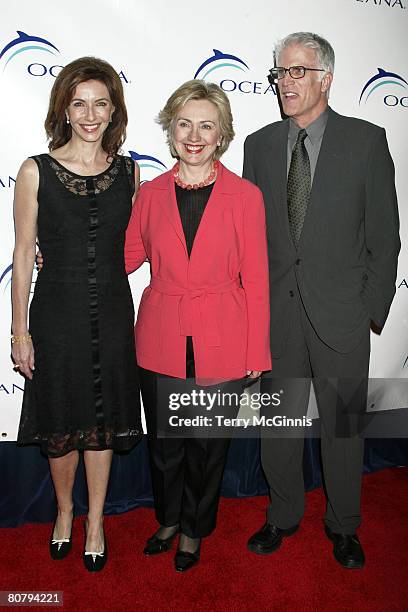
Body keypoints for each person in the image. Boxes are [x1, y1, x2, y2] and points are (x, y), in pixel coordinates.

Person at [243, 32, 400, 568]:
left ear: (326, 78)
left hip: (342, 317)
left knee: (343, 427)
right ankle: (282, 515)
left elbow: (385, 235)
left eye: (297, 72)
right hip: (278, 317)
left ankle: (344, 526)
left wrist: (369, 311)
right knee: (278, 429)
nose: (286, 83)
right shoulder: (259, 145)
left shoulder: (367, 141)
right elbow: (250, 236)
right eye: (281, 73)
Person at [125, 79, 271, 572]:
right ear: (171, 131)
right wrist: (58, 256)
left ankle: (194, 529)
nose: (194, 134)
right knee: (165, 444)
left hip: (223, 336)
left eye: (206, 125)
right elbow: (121, 257)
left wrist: (257, 354)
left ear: (221, 134)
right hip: (161, 333)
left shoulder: (246, 196)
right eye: (184, 123)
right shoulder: (148, 193)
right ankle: (167, 519)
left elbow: (257, 278)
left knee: (208, 447)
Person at [12, 56, 142, 572]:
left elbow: (138, 245)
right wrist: (19, 331)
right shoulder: (33, 171)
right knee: (61, 420)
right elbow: (24, 254)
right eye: (79, 103)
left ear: (114, 111)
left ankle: (96, 521)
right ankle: (64, 512)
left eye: (101, 104)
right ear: (64, 109)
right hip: (56, 311)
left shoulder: (130, 172)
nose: (90, 114)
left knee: (104, 421)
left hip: (112, 309)